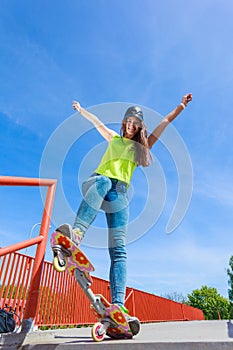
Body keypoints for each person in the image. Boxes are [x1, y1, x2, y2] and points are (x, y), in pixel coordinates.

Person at [57, 93, 192, 318]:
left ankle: (118, 305)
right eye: (128, 122)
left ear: (139, 127)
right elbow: (96, 122)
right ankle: (76, 234)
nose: (131, 126)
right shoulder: (113, 138)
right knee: (103, 180)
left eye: (135, 124)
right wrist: (81, 110)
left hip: (119, 194)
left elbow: (164, 124)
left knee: (119, 250)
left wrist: (180, 106)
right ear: (124, 124)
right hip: (99, 182)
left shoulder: (141, 149)